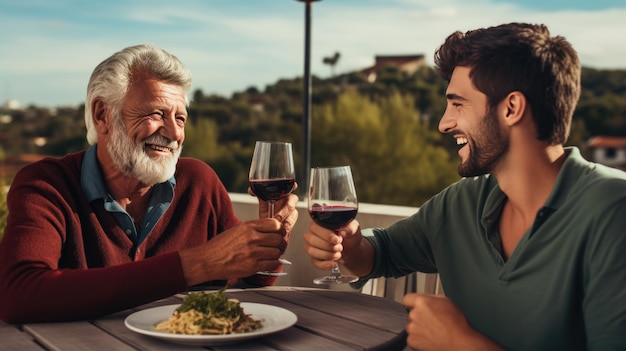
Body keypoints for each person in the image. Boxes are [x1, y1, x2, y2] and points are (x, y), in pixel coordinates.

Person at [304, 22, 626, 350]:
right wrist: (353, 246)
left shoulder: (613, 211)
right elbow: (381, 253)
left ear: (511, 108)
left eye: (458, 104)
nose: (444, 123)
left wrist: (461, 344)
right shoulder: (462, 203)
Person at [0, 44, 298, 324]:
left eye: (180, 118)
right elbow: (19, 295)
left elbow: (244, 279)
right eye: (156, 113)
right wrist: (198, 264)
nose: (171, 132)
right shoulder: (47, 185)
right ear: (102, 115)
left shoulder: (198, 181)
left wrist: (268, 243)